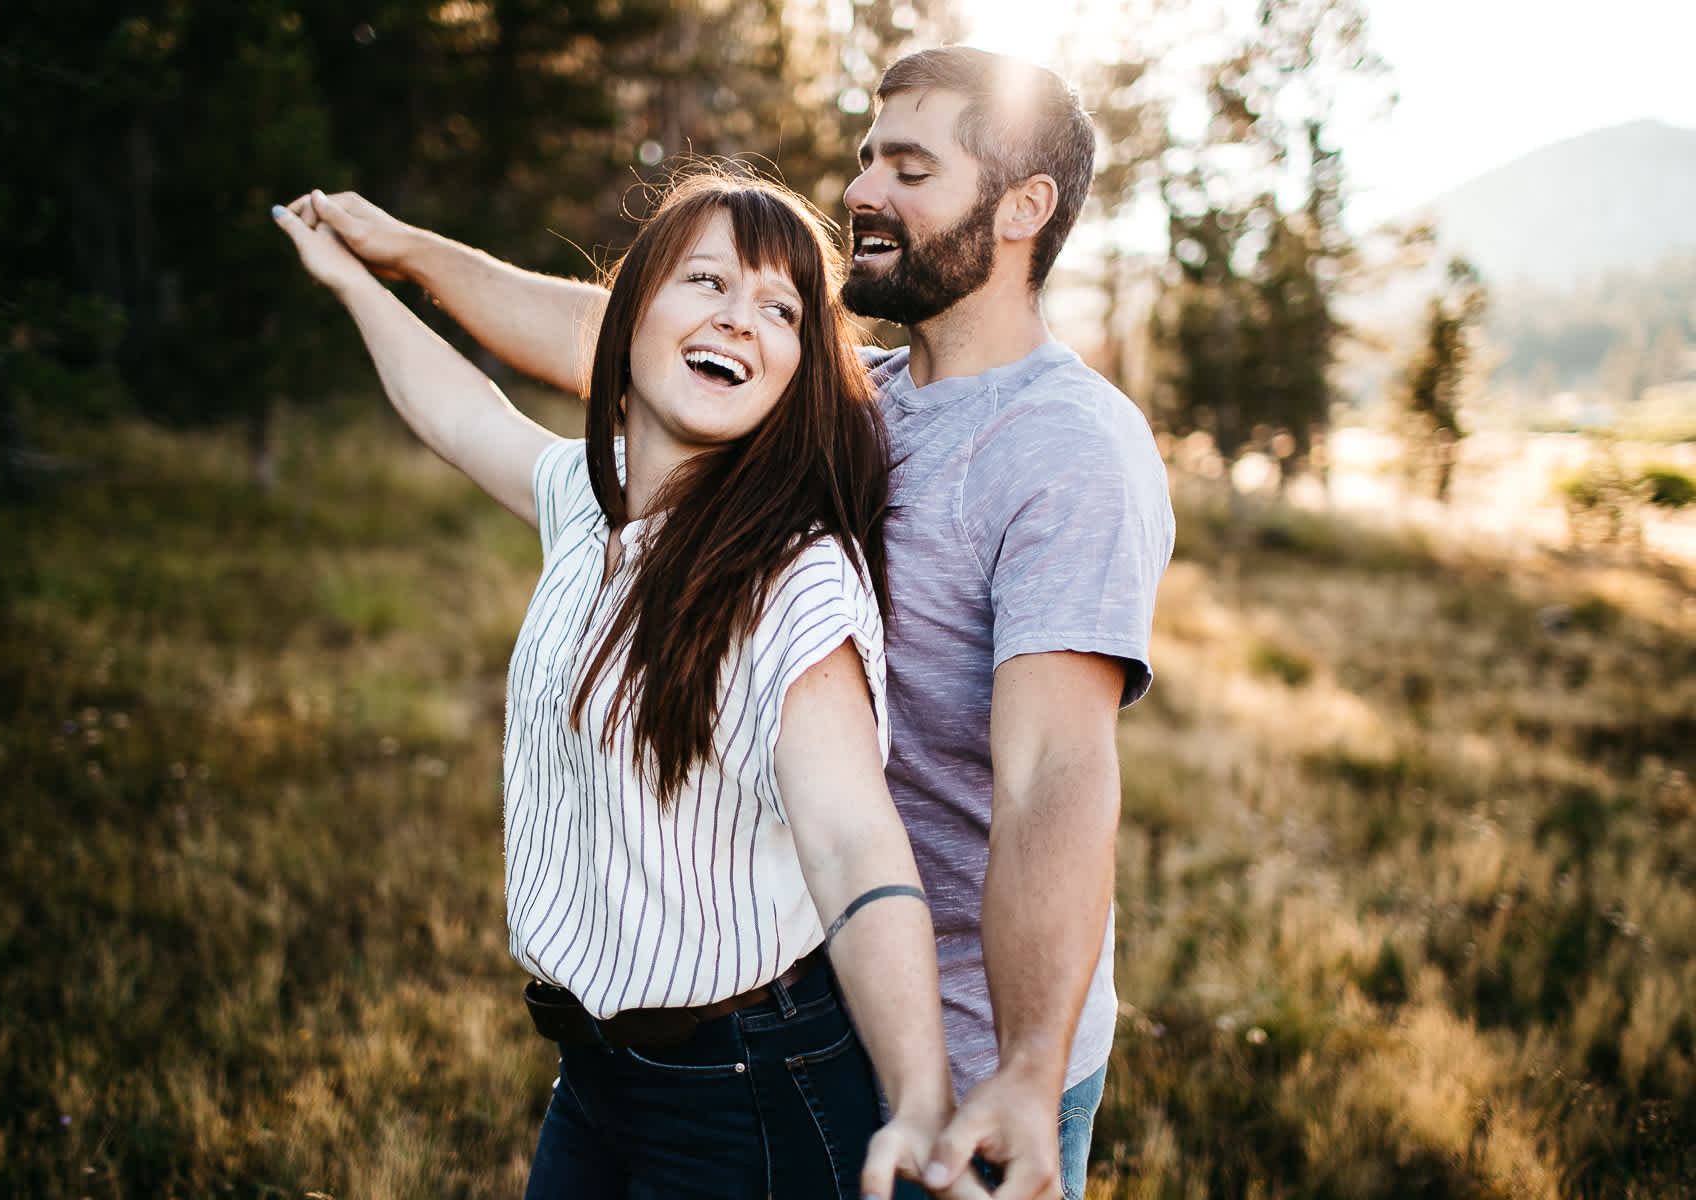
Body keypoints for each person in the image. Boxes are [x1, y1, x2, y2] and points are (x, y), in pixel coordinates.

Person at [286, 45, 1175, 1200]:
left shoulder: (1068, 448)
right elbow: (623, 336)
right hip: (805, 1004)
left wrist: (1022, 1065)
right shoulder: (863, 395)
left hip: (968, 1045)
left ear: (1024, 206)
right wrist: (398, 255)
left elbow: (1057, 771)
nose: (863, 191)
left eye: (911, 166)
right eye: (866, 159)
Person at [272, 169, 973, 1200]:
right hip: (597, 1072)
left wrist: (918, 1094)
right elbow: (463, 414)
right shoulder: (589, 500)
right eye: (708, 282)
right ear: (630, 313)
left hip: (747, 1090)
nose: (742, 320)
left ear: (795, 371)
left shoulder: (791, 577)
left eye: (782, 309)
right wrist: (354, 280)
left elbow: (854, 846)